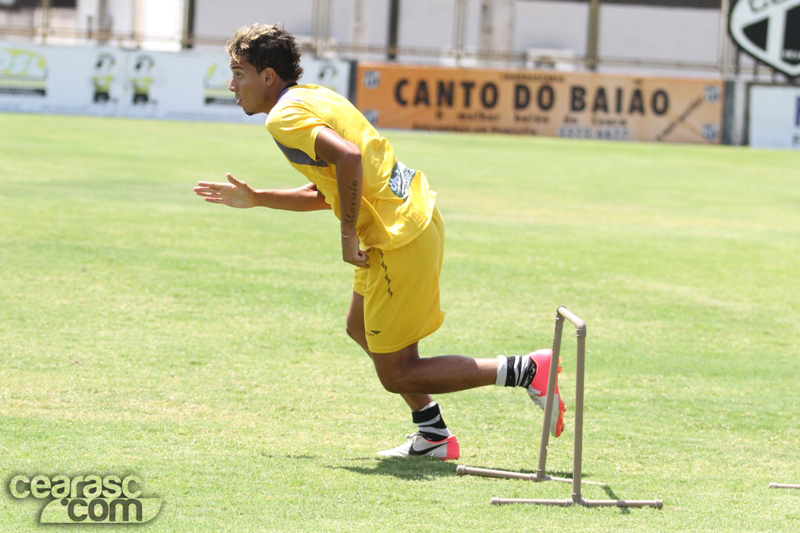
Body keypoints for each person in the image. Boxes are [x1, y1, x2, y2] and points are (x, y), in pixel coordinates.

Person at [193, 23, 566, 460]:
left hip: (396, 237)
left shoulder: (284, 117)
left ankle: (528, 370)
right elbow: (334, 187)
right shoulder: (313, 95)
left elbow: (350, 161)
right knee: (359, 326)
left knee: (397, 373)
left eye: (239, 72)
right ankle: (434, 436)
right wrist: (258, 198)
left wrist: (347, 235)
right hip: (411, 217)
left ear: (268, 76)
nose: (232, 84)